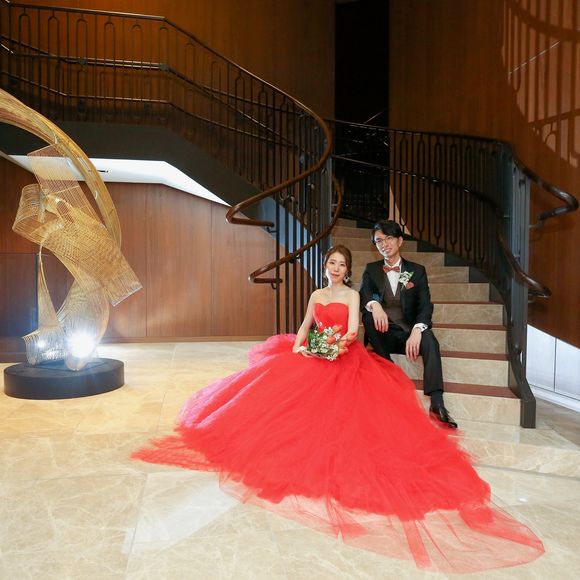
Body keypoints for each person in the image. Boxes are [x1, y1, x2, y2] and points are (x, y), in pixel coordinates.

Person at [132, 245, 543, 573]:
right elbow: (305, 326)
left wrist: (333, 347)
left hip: (343, 357)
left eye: (341, 265)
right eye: (331, 263)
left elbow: (351, 332)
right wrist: (301, 347)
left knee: (345, 419)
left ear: (348, 271)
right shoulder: (316, 294)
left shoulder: (352, 295)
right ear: (326, 266)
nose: (335, 269)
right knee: (277, 403)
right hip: (312, 353)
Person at [360, 220, 457, 428]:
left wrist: (416, 330)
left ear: (400, 241)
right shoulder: (371, 270)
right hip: (384, 335)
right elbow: (364, 295)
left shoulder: (417, 271)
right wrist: (375, 305)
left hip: (408, 335)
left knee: (430, 339)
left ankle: (437, 402)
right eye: (379, 241)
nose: (384, 244)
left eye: (389, 238)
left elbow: (425, 306)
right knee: (368, 316)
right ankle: (390, 369)